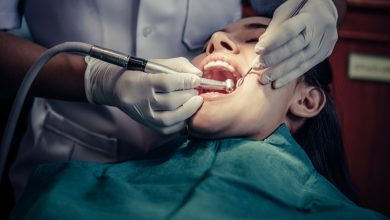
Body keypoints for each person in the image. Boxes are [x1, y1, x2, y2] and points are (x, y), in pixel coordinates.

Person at [10, 16, 387, 220]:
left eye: (256, 39)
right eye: (213, 38)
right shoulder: (63, 183)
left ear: (306, 100)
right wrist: (99, 80)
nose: (216, 41)